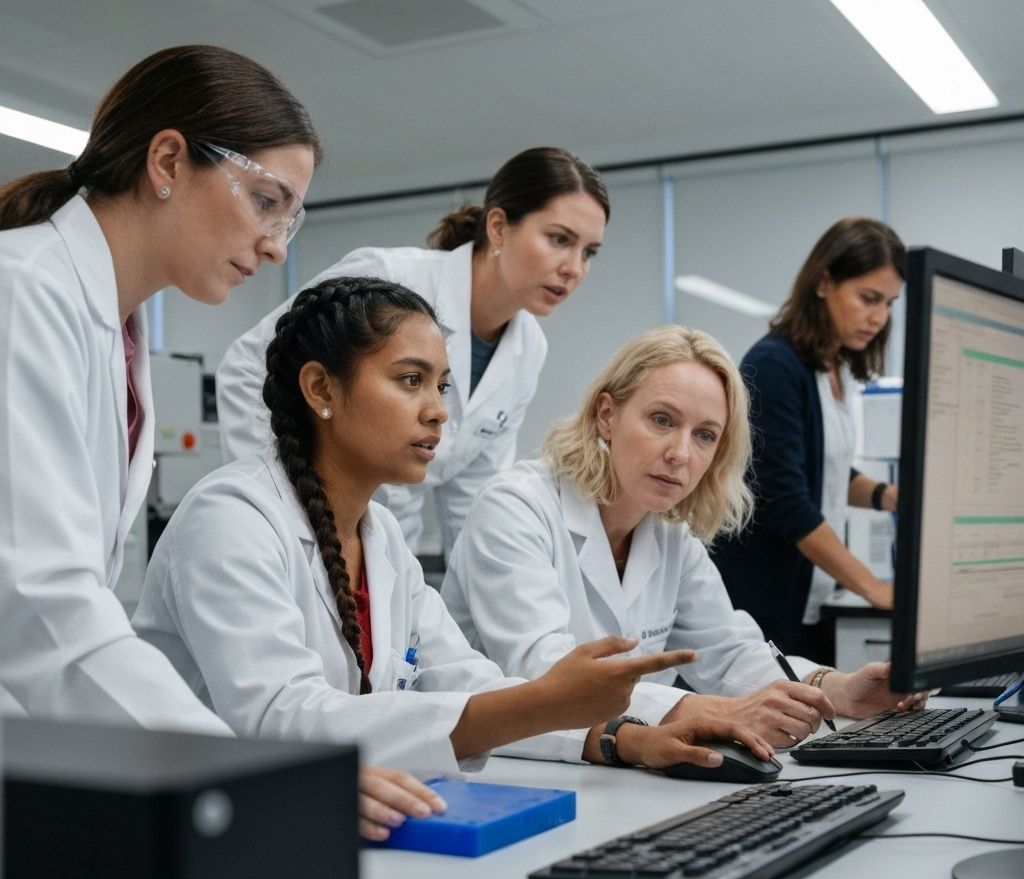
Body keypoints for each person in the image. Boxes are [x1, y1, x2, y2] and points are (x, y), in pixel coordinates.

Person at [133, 279, 750, 838]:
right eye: (410, 381)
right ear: (322, 388)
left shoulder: (381, 543)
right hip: (185, 830)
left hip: (316, 823)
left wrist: (622, 740)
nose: (438, 410)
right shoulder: (232, 518)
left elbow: (466, 681)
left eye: (442, 386)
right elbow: (281, 718)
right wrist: (550, 701)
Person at [0, 44, 318, 735]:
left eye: (289, 219)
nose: (275, 248)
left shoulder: (120, 330)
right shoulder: (21, 290)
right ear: (168, 162)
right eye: (266, 202)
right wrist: (227, 765)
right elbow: (40, 602)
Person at [442, 326, 924, 765]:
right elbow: (546, 676)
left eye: (705, 435)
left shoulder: (668, 532)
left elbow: (729, 653)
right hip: (507, 772)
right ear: (607, 415)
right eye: (661, 420)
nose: (680, 454)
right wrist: (709, 710)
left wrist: (838, 690)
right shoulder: (515, 508)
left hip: (618, 772)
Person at [216, 146, 610, 557]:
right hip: (297, 526)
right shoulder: (388, 279)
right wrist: (277, 507)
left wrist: (484, 590)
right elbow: (248, 367)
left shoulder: (528, 348)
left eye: (589, 252)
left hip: (386, 546)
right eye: (559, 239)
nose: (574, 268)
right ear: (498, 227)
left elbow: (472, 496)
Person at [711, 217, 905, 664]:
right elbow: (786, 499)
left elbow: (825, 468)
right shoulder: (775, 366)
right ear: (824, 283)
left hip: (811, 595)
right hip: (763, 599)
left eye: (890, 304)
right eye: (868, 298)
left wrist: (888, 497)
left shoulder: (832, 369)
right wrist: (872, 586)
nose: (879, 317)